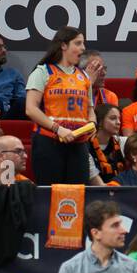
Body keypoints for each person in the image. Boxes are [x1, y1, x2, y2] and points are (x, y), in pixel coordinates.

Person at [25, 27, 96, 186]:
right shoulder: (43, 71)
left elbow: (90, 110)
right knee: (50, 194)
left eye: (83, 43)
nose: (83, 48)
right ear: (63, 45)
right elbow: (30, 109)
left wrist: (93, 123)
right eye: (78, 43)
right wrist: (58, 129)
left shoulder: (84, 76)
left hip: (79, 143)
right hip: (49, 142)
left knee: (77, 195)